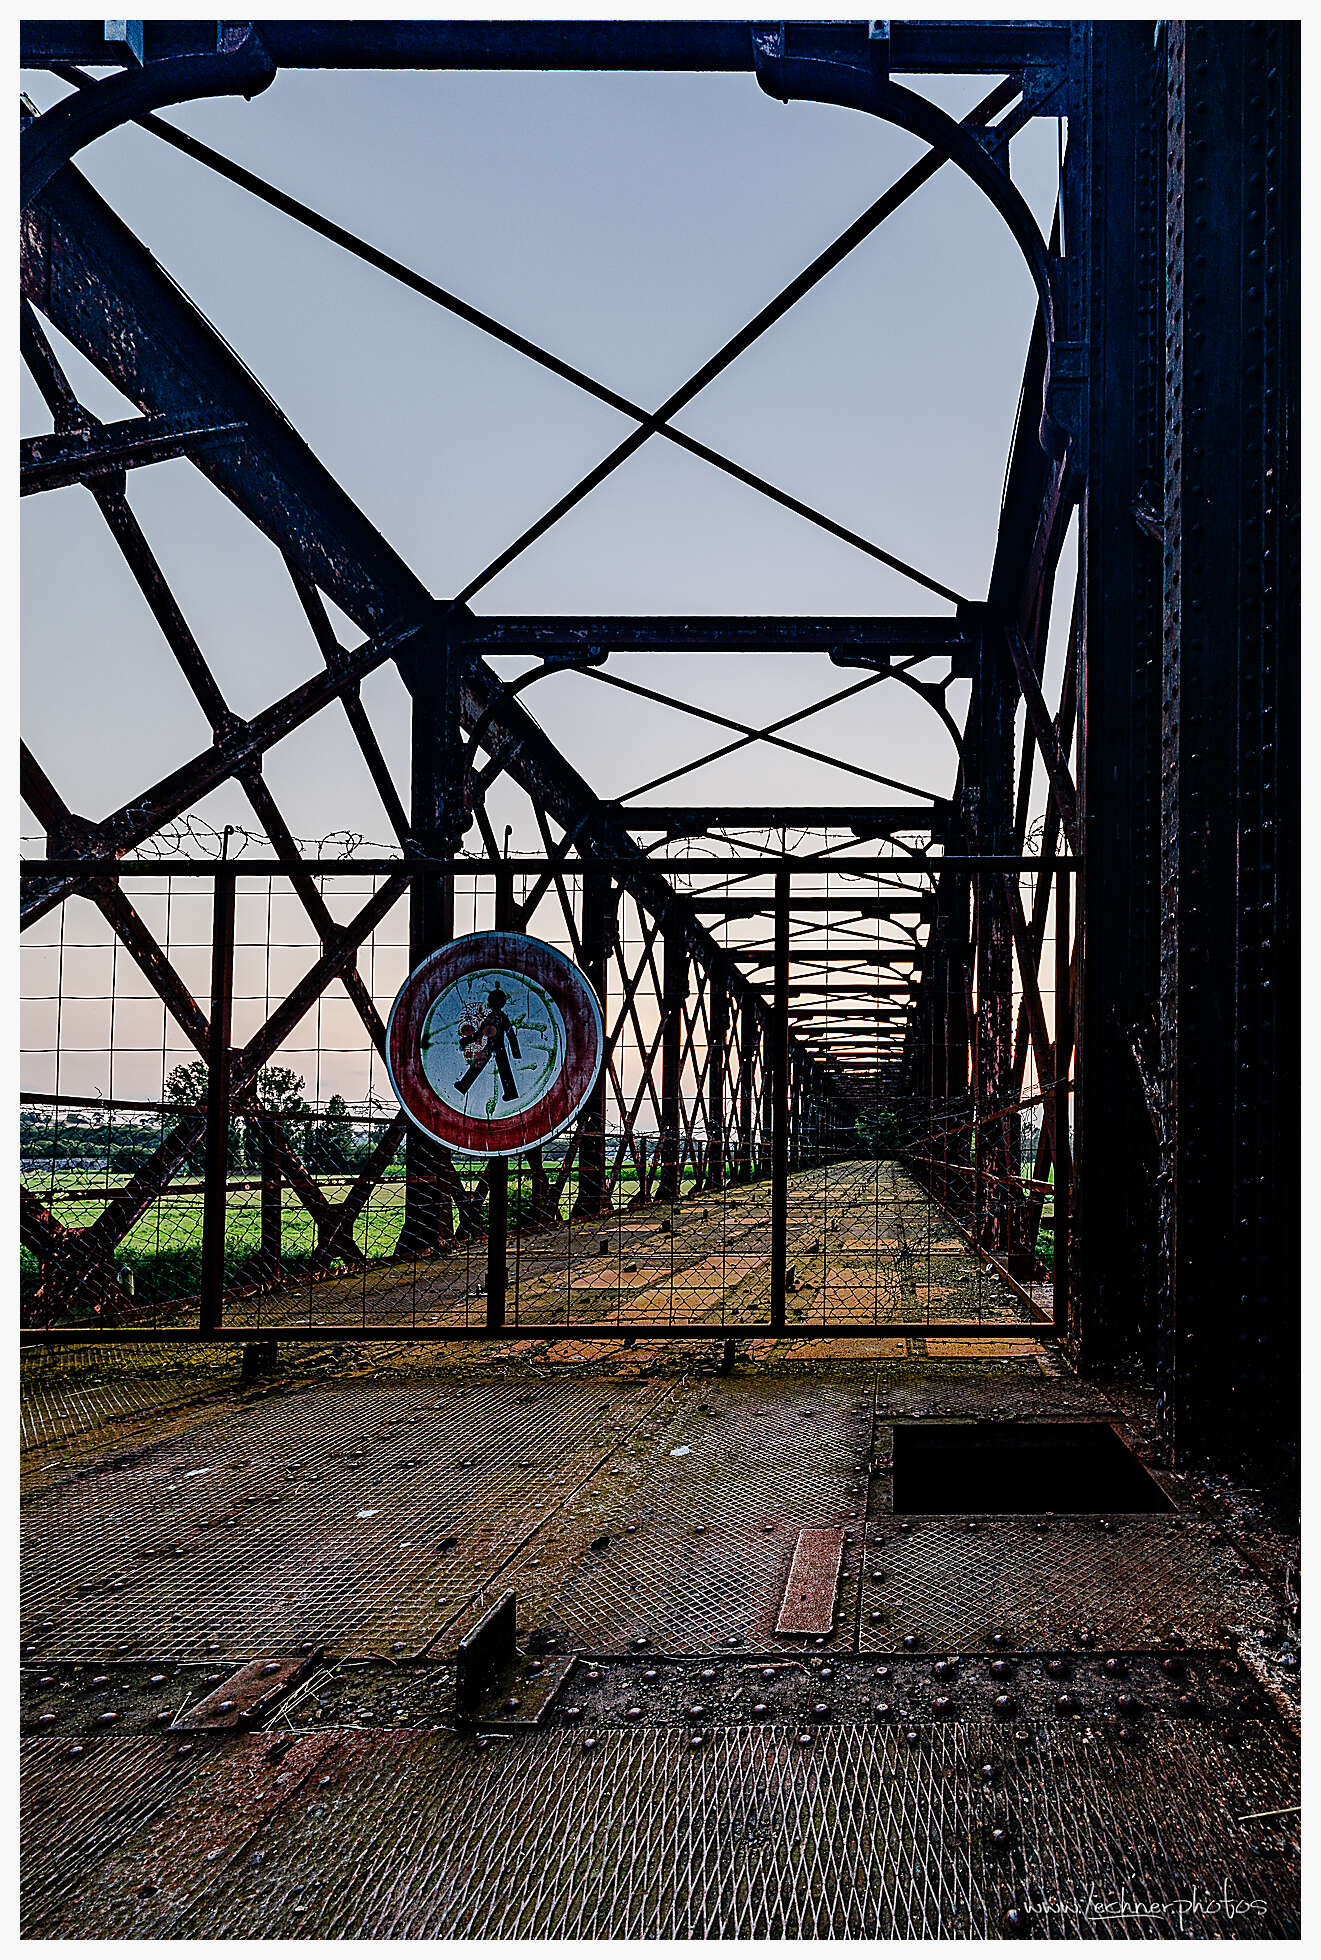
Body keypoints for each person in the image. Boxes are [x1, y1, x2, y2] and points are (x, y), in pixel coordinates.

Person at [454, 983, 522, 1101]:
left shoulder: (497, 1017)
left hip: (494, 1046)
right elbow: (509, 1034)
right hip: (494, 1046)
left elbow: (509, 1034)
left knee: (497, 1067)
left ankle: (464, 1085)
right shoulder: (499, 1017)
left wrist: (467, 1041)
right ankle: (464, 1085)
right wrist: (515, 1052)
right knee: (499, 1068)